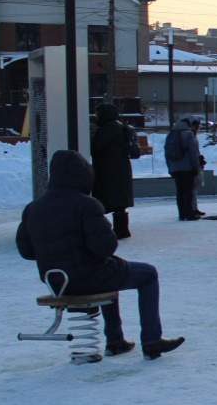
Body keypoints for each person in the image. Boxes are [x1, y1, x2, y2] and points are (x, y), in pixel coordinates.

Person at [16, 149, 184, 360]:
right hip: (88, 275)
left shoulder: (33, 208)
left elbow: (26, 250)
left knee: (108, 273)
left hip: (57, 281)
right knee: (147, 274)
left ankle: (116, 340)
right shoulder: (86, 205)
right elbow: (105, 247)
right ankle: (151, 340)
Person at [91, 103, 138, 238]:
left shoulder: (108, 129)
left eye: (98, 114)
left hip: (109, 172)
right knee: (118, 204)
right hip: (119, 171)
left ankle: (115, 230)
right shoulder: (118, 127)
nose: (96, 117)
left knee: (106, 201)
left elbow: (96, 146)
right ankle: (121, 229)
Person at [164, 117, 203, 221]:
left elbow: (166, 154)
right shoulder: (188, 134)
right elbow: (193, 152)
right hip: (188, 168)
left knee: (180, 191)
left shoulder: (170, 135)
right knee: (188, 191)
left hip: (175, 169)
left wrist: (170, 168)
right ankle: (189, 214)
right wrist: (196, 166)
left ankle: (181, 214)